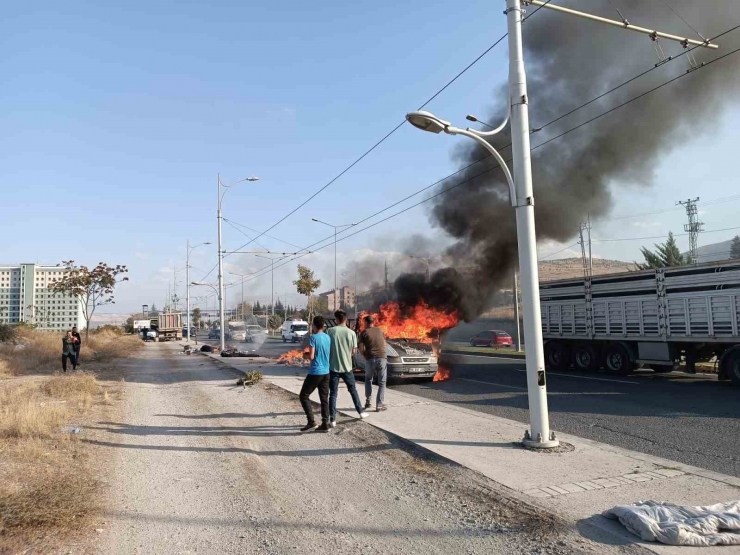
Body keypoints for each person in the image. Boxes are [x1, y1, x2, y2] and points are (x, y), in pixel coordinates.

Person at [327, 310, 369, 427]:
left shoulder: (330, 331)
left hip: (333, 367)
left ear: (336, 320)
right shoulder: (351, 333)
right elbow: (353, 351)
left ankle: (332, 419)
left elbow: (327, 348)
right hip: (347, 367)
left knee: (333, 394)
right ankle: (360, 412)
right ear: (345, 319)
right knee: (353, 390)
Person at [298, 315, 332, 433]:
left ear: (315, 326)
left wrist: (305, 355)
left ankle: (311, 422)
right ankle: (325, 423)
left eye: (312, 325)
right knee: (324, 398)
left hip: (316, 372)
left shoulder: (313, 338)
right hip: (326, 372)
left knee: (304, 396)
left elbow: (311, 356)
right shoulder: (328, 337)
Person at [358, 314, 388, 412]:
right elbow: (384, 344)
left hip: (370, 358)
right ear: (373, 322)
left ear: (366, 322)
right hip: (382, 358)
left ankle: (368, 401)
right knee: (382, 382)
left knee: (368, 379)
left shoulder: (363, 333)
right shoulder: (380, 330)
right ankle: (379, 405)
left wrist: (365, 356)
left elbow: (361, 348)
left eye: (363, 322)